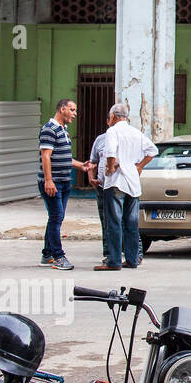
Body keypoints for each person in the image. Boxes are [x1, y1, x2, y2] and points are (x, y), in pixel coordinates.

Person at [96, 104, 157, 271]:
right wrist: (140, 166)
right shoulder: (136, 133)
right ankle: (131, 259)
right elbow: (153, 150)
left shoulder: (113, 131)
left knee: (113, 222)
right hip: (133, 181)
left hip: (116, 181)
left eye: (109, 117)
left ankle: (114, 261)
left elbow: (110, 153)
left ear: (114, 117)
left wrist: (109, 168)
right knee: (131, 222)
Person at [37, 98, 86, 271]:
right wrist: (48, 180)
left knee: (56, 218)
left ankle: (47, 254)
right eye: (72, 110)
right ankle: (58, 256)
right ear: (62, 109)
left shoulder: (63, 130)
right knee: (56, 217)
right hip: (53, 182)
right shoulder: (49, 129)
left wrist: (81, 165)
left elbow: (63, 157)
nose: (75, 113)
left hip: (64, 181)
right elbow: (46, 156)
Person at [85, 110, 116, 267]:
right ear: (108, 121)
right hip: (102, 186)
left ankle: (129, 253)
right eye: (111, 119)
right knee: (105, 221)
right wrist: (91, 177)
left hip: (119, 187)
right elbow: (93, 161)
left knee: (122, 220)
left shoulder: (127, 137)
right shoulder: (101, 140)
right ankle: (108, 253)